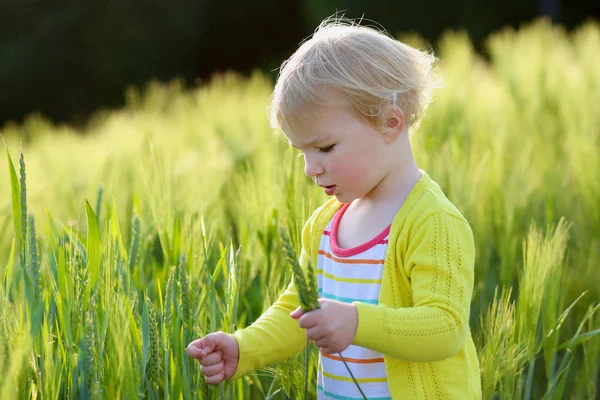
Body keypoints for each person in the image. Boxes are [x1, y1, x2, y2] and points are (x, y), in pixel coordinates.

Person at [186, 17, 482, 399]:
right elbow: (296, 313)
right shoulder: (325, 225)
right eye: (302, 153)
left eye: (324, 148)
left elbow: (445, 328)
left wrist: (357, 322)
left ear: (390, 123)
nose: (311, 168)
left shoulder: (431, 222)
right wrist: (244, 347)